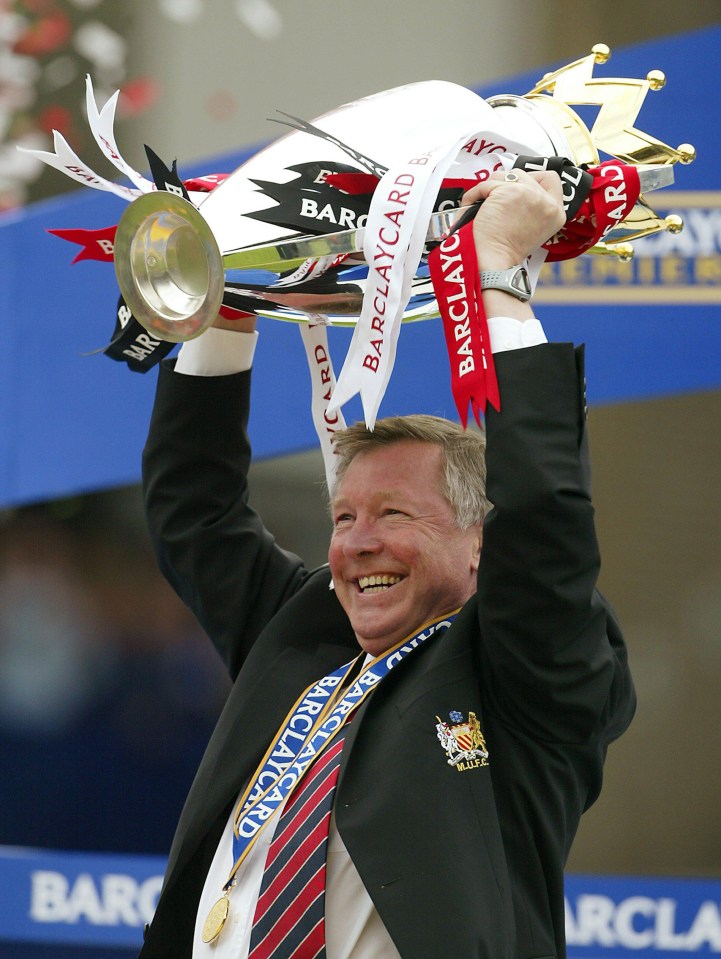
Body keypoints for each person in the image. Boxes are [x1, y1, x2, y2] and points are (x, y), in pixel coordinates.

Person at [139, 168, 635, 959]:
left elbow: (545, 517)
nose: (355, 543)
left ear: (480, 540)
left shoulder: (527, 673)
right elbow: (193, 513)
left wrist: (497, 269)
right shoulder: (304, 631)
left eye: (394, 514)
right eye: (343, 517)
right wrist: (224, 302)